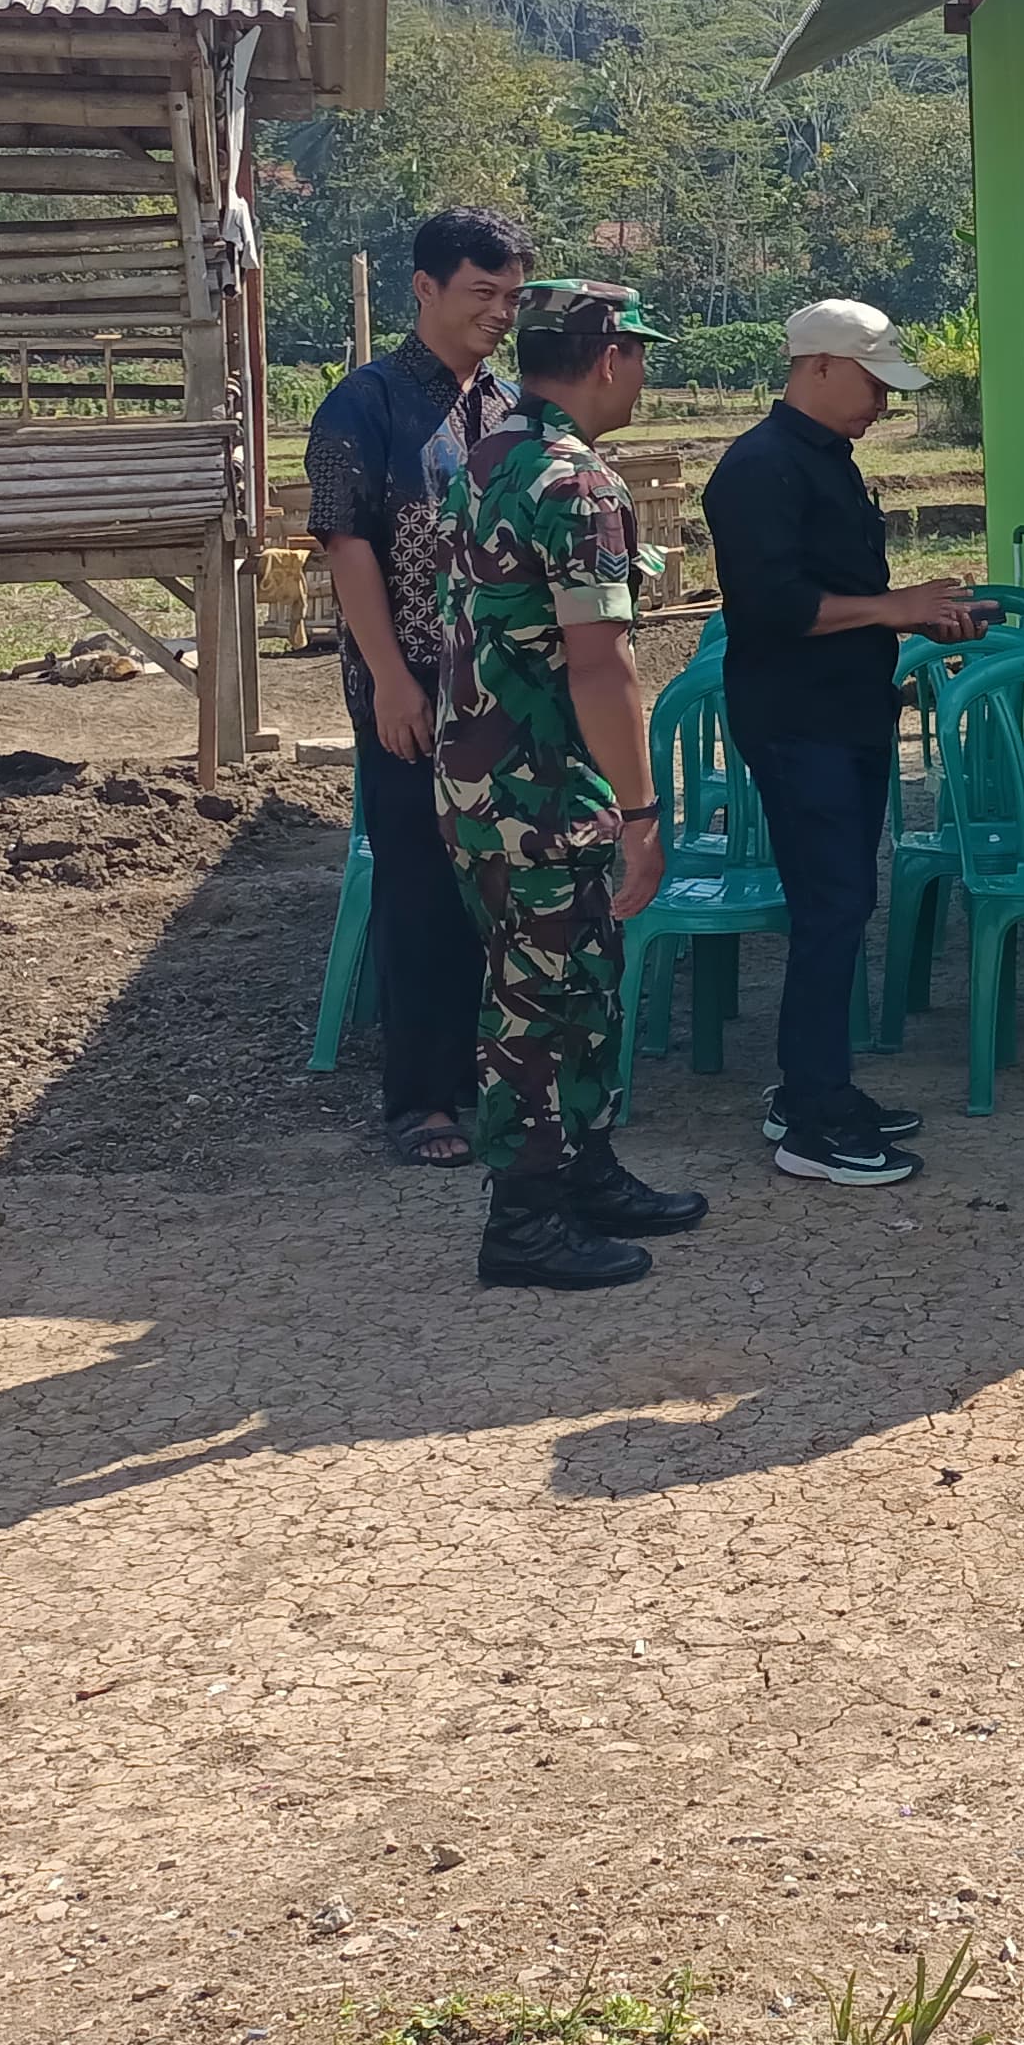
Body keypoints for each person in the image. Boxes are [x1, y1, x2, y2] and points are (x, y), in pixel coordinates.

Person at [437, 280, 704, 1289]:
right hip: (542, 794)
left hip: (480, 784)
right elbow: (601, 664)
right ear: (606, 359)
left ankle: (585, 1172)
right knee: (538, 1009)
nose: (641, 374)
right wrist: (642, 813)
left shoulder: (489, 455)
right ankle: (525, 1222)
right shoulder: (577, 483)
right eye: (638, 354)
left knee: (576, 989)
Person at [703, 298, 991, 1185]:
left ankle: (811, 1089)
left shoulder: (828, 460)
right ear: (819, 367)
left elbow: (843, 595)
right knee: (830, 909)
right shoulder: (759, 468)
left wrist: (915, 618)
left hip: (848, 714)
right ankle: (814, 1124)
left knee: (841, 906)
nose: (883, 403)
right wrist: (893, 608)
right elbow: (774, 607)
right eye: (873, 383)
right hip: (799, 724)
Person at [303, 204, 530, 1166]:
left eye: (511, 295)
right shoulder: (366, 404)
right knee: (422, 888)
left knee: (503, 886)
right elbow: (345, 546)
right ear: (425, 288)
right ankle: (421, 1100)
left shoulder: (509, 405)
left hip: (502, 690)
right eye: (482, 292)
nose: (500, 312)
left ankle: (492, 1072)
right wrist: (393, 682)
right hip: (411, 693)